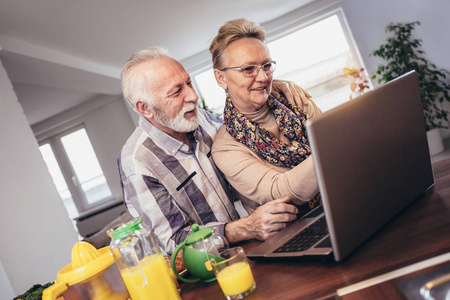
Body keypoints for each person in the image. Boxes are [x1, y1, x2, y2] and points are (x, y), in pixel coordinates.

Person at [118, 46, 311, 254]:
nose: (192, 96)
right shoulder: (137, 162)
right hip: (202, 275)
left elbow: (245, 125)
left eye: (189, 83)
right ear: (145, 108)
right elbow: (173, 244)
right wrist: (245, 228)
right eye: (176, 92)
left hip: (243, 253)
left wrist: (270, 88)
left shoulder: (203, 119)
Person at [210, 18, 321, 216]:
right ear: (221, 78)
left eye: (266, 65)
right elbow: (282, 192)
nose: (262, 77)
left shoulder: (296, 101)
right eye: (248, 69)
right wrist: (333, 145)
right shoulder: (226, 148)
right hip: (293, 233)